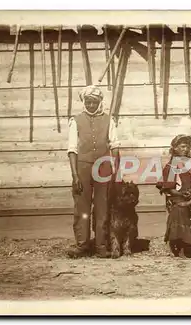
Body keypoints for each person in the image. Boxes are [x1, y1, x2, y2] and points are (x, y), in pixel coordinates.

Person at [66, 85, 120, 259]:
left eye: (94, 102)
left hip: (103, 168)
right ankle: (82, 245)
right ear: (84, 102)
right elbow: (72, 149)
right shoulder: (76, 120)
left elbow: (114, 146)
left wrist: (115, 170)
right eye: (88, 102)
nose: (91, 105)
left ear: (99, 102)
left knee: (102, 207)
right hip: (82, 168)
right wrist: (75, 175)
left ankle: (101, 246)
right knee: (82, 207)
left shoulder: (109, 120)